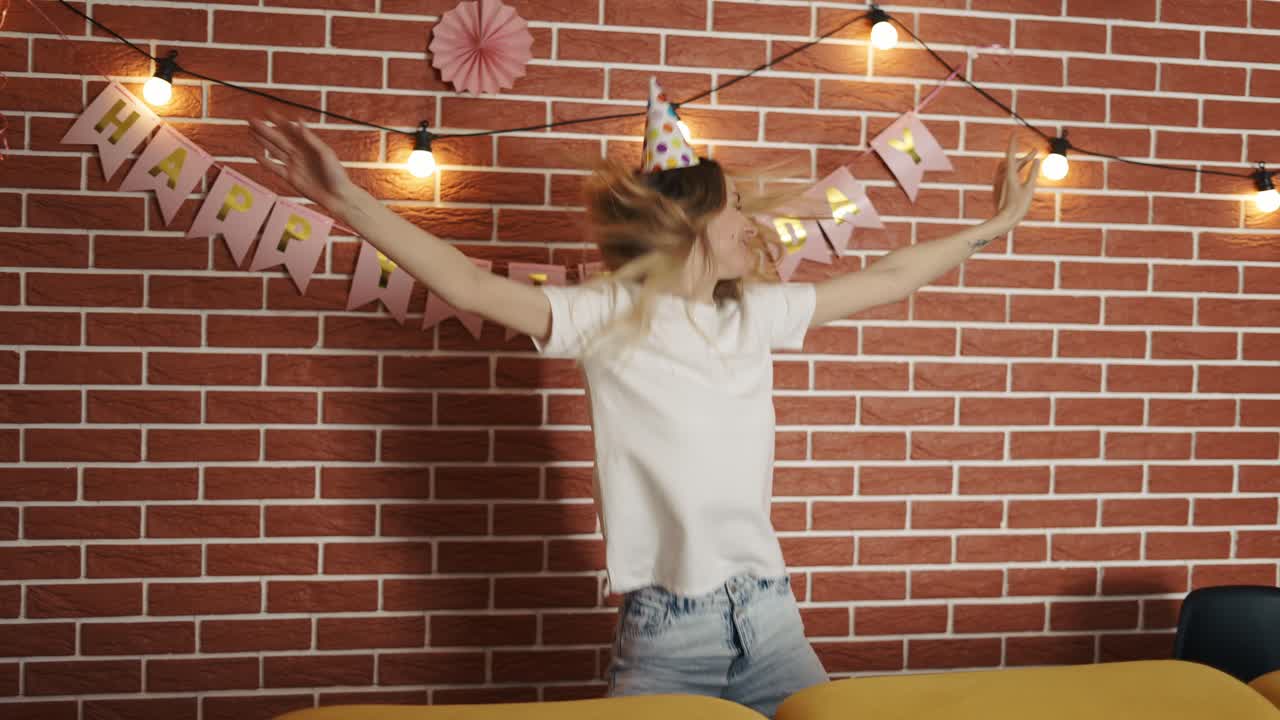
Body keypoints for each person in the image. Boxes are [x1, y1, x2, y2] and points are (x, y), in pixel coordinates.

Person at [248, 77, 1041, 717]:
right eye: (731, 207)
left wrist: (994, 225)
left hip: (770, 617)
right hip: (670, 633)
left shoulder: (755, 313)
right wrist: (344, 201)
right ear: (690, 223)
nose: (748, 222)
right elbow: (465, 283)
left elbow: (890, 275)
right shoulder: (606, 314)